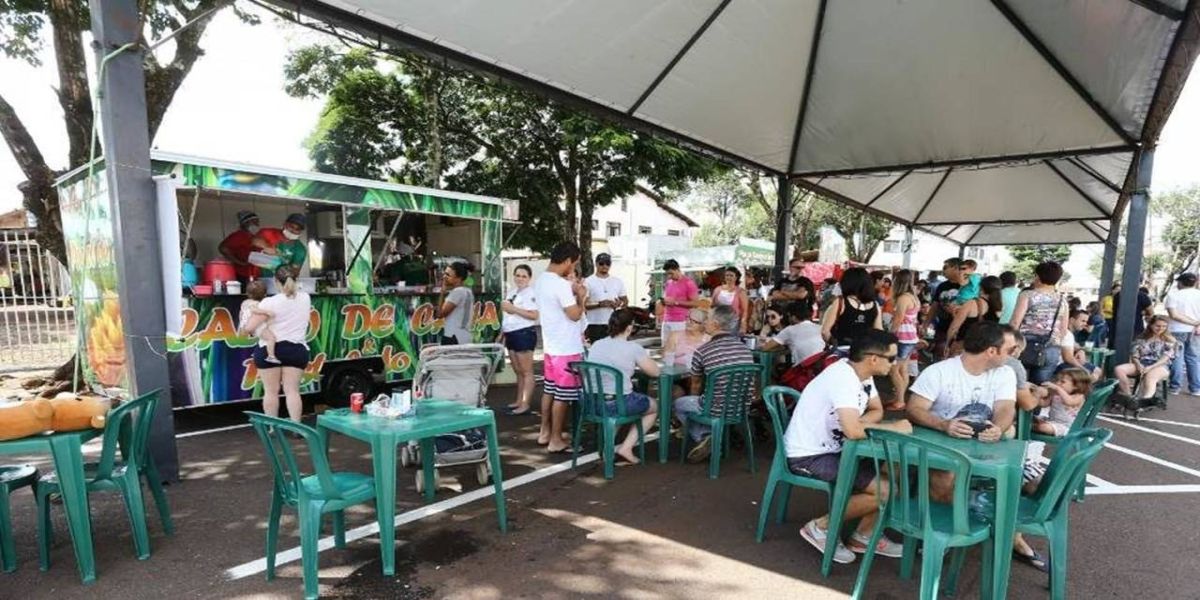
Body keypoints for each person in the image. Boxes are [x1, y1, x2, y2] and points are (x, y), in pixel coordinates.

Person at [786, 330, 913, 564]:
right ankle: (819, 527)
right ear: (873, 358)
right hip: (810, 455)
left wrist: (858, 423)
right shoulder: (842, 378)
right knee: (887, 490)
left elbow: (877, 410)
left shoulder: (862, 375)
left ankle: (863, 536)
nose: (895, 364)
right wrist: (894, 428)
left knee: (894, 468)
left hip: (838, 448)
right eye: (892, 358)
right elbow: (854, 432)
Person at [673, 305, 755, 462]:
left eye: (708, 319)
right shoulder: (745, 350)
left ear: (716, 324)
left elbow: (695, 385)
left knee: (678, 404)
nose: (705, 323)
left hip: (714, 408)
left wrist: (695, 401)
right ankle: (710, 436)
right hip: (741, 406)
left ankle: (704, 436)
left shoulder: (703, 350)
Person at [585, 309, 661, 464]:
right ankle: (626, 447)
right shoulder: (633, 348)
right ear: (629, 327)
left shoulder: (597, 344)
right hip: (615, 404)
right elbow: (655, 372)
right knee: (653, 406)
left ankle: (608, 448)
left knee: (623, 399)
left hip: (591, 402)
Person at [534, 242, 589, 453]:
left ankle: (545, 432)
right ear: (566, 261)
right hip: (567, 348)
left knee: (550, 390)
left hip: (551, 346)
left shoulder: (541, 281)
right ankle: (556, 439)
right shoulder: (560, 284)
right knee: (563, 395)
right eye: (573, 264)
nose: (573, 269)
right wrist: (581, 297)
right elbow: (574, 315)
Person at [239, 267, 311, 423]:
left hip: (270, 350)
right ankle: (296, 426)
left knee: (271, 392)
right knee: (292, 391)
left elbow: (250, 327)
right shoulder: (305, 298)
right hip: (296, 350)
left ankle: (273, 427)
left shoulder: (269, 302)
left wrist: (245, 327)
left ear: (275, 282)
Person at [1009, 261, 1069, 384]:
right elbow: (1063, 329)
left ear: (1038, 276)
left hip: (1025, 346)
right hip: (1051, 348)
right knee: (1041, 388)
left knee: (1019, 387)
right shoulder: (1063, 301)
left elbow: (1015, 322)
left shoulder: (1027, 295)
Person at [500, 264, 539, 415]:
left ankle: (525, 403)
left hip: (524, 333)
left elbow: (534, 315)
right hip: (511, 333)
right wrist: (502, 333)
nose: (520, 278)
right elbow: (507, 315)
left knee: (526, 371)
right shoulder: (512, 292)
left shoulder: (531, 293)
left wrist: (514, 309)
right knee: (518, 371)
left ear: (529, 278)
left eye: (524, 276)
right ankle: (518, 400)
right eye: (517, 275)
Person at [1114, 316, 1178, 404]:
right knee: (1119, 369)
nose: (1161, 328)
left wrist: (1150, 367)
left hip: (1160, 365)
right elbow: (1134, 354)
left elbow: (1165, 358)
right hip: (1142, 363)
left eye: (1164, 326)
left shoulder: (1170, 340)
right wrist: (1138, 364)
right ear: (1151, 325)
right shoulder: (1142, 338)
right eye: (1158, 326)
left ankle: (1144, 401)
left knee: (1150, 376)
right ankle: (1129, 397)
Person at [821, 267, 882, 347]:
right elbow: (879, 332)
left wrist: (834, 344)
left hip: (842, 351)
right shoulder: (875, 305)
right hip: (863, 353)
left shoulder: (840, 302)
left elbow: (825, 331)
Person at [889, 270, 921, 410]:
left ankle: (900, 400)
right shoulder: (913, 297)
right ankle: (899, 397)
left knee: (894, 369)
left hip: (902, 337)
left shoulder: (903, 298)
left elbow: (898, 318)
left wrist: (890, 334)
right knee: (903, 369)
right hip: (911, 337)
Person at [1164, 272, 1200, 395]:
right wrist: (1197, 324)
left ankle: (1175, 387)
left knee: (1177, 358)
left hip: (1176, 330)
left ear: (1180, 282)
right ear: (1195, 282)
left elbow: (1174, 315)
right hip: (1195, 332)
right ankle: (1195, 388)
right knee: (1194, 359)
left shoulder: (1173, 296)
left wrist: (1194, 323)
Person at [945, 275, 1002, 351]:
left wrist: (947, 344)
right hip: (984, 350)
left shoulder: (972, 303)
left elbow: (954, 327)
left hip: (965, 348)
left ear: (981, 288)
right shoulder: (1000, 307)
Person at [1031, 367, 1092, 437]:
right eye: (1057, 380)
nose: (1057, 383)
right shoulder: (1057, 394)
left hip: (1068, 426)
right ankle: (1033, 426)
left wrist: (1057, 388)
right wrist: (1036, 396)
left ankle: (1032, 427)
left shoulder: (1079, 396)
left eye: (1062, 382)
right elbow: (1045, 404)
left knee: (1043, 427)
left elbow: (1069, 401)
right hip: (1052, 421)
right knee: (1033, 417)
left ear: (1076, 386)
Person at [923, 258, 964, 359]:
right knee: (939, 353)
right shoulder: (942, 286)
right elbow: (934, 306)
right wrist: (926, 323)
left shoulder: (966, 287)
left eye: (945, 267)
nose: (943, 270)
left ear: (955, 268)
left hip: (961, 330)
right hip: (942, 327)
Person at [762, 301, 825, 365]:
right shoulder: (820, 328)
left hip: (803, 368)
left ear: (793, 317)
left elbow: (765, 348)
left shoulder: (789, 330)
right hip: (821, 366)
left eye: (789, 316)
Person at [583, 253, 627, 343]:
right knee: (597, 352)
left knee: (612, 352)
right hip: (594, 324)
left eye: (607, 263)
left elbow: (625, 300)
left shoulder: (617, 281)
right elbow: (583, 304)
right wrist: (600, 304)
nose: (605, 266)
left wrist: (620, 304)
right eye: (601, 263)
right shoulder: (588, 281)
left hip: (613, 323)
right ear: (596, 264)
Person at [661, 259, 700, 347]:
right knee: (665, 347)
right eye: (668, 274)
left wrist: (675, 302)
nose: (669, 276)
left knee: (678, 349)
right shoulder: (668, 283)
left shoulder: (689, 283)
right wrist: (664, 301)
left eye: (671, 273)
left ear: (678, 269)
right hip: (666, 319)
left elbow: (696, 303)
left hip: (680, 321)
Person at [239, 280, 279, 364]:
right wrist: (267, 312)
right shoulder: (257, 304)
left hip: (245, 325)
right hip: (257, 327)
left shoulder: (244, 302)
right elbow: (254, 310)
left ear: (247, 293)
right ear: (265, 294)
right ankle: (271, 356)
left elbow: (241, 314)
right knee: (271, 338)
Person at [437, 262, 475, 345]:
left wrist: (442, 292)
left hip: (452, 336)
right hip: (465, 336)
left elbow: (439, 314)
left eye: (448, 275)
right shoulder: (468, 291)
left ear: (458, 278)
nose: (444, 277)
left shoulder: (457, 292)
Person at [218, 210, 261, 280]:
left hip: (254, 274)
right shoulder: (239, 236)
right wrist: (240, 262)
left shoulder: (255, 236)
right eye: (254, 222)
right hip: (242, 274)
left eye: (257, 222)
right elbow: (223, 248)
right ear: (245, 224)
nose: (257, 224)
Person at [713, 266, 751, 334]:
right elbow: (712, 305)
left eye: (731, 275)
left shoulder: (740, 292)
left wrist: (743, 325)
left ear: (736, 278)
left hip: (733, 322)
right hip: (718, 321)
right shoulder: (717, 289)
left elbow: (744, 310)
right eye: (727, 275)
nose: (728, 277)